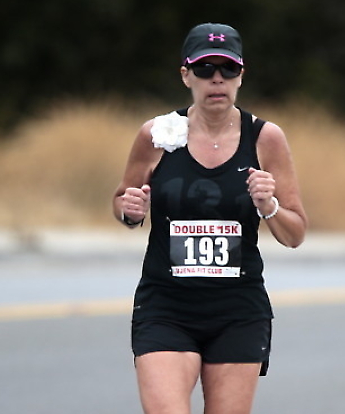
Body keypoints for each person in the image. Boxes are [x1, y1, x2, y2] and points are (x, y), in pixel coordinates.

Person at [112, 22, 308, 414]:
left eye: (228, 69)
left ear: (241, 76)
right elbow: (123, 199)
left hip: (237, 310)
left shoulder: (265, 138)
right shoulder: (158, 134)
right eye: (204, 68)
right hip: (166, 306)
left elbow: (295, 233)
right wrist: (130, 211)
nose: (216, 79)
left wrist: (268, 206)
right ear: (186, 75)